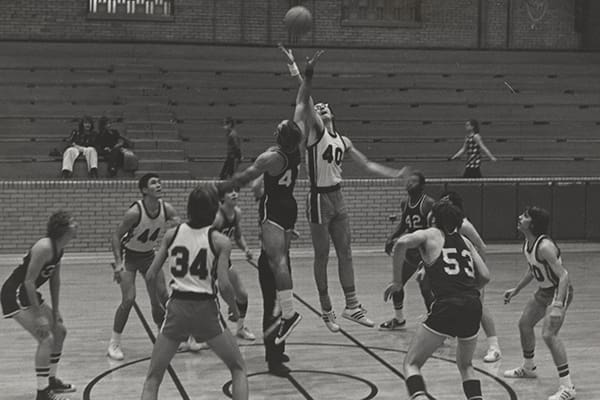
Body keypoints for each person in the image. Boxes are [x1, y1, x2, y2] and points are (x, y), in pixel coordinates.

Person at [280, 44, 408, 332]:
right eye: (318, 108)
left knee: (346, 252)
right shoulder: (316, 131)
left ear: (333, 113)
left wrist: (394, 173)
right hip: (318, 197)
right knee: (322, 256)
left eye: (325, 107)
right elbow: (305, 95)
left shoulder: (344, 141)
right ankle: (326, 309)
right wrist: (298, 68)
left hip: (338, 197)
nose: (321, 108)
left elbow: (367, 164)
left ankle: (352, 306)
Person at [141, 184, 248, 400]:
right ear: (213, 210)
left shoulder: (172, 234)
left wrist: (156, 303)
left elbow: (151, 275)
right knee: (238, 368)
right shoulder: (220, 241)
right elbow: (225, 286)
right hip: (206, 309)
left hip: (177, 307)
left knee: (153, 378)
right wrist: (235, 312)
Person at [384, 201, 490, 400]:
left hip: (447, 305)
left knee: (411, 364)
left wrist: (397, 281)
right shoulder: (465, 241)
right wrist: (466, 290)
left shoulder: (430, 234)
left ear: (434, 219)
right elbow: (485, 276)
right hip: (472, 304)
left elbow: (401, 243)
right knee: (466, 366)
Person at [224, 117, 304, 347]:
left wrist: (221, 187)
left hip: (275, 209)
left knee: (276, 263)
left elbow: (246, 178)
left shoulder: (270, 158)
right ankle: (284, 317)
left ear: (280, 137)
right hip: (290, 206)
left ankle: (289, 314)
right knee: (283, 261)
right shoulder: (296, 151)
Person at [1, 211, 78, 400]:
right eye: (72, 222)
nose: (76, 224)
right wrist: (40, 316)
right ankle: (42, 392)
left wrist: (56, 310)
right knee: (46, 339)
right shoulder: (44, 246)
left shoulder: (59, 248)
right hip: (15, 294)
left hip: (29, 293)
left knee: (59, 331)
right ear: (63, 228)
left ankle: (51, 380)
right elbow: (28, 281)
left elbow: (55, 281)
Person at [503, 207, 576, 400]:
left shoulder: (544, 246)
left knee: (549, 334)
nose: (519, 217)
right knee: (524, 324)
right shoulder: (529, 243)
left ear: (533, 224)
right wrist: (516, 290)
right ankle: (529, 367)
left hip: (559, 291)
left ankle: (568, 387)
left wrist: (559, 305)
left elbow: (564, 276)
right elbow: (532, 270)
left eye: (525, 216)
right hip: (545, 291)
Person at [106, 173, 180, 360]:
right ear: (145, 190)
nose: (158, 185)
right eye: (153, 183)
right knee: (129, 299)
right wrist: (118, 263)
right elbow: (116, 236)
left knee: (162, 297)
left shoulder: (167, 208)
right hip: (129, 257)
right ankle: (114, 343)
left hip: (148, 256)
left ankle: (165, 335)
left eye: (159, 181)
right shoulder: (135, 212)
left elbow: (179, 227)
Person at [440, 191, 502, 363]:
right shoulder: (445, 224)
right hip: (457, 271)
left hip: (471, 271)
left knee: (479, 308)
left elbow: (482, 246)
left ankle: (494, 347)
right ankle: (447, 333)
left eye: (446, 202)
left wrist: (479, 270)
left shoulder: (464, 225)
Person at [380, 170, 435, 331]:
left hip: (425, 253)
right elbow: (404, 224)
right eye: (409, 181)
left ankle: (436, 323)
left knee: (426, 289)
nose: (410, 184)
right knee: (396, 284)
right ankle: (399, 320)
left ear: (422, 186)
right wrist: (392, 237)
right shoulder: (405, 203)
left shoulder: (429, 203)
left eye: (414, 182)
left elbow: (435, 229)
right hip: (410, 252)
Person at [212, 186, 256, 341]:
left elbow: (237, 235)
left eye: (236, 191)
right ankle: (193, 334)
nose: (234, 193)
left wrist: (245, 249)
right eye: (230, 191)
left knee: (242, 294)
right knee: (208, 298)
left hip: (224, 260)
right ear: (222, 197)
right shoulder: (217, 217)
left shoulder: (237, 212)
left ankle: (240, 328)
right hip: (208, 261)